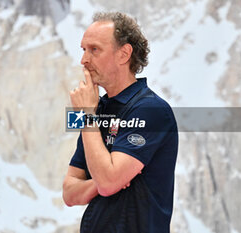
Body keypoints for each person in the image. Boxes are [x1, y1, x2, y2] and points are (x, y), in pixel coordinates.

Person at [62, 12, 178, 233]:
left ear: (124, 54)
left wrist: (86, 115)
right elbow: (69, 193)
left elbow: (108, 183)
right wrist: (98, 182)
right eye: (83, 50)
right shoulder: (96, 109)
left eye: (94, 50)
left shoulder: (151, 110)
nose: (84, 60)